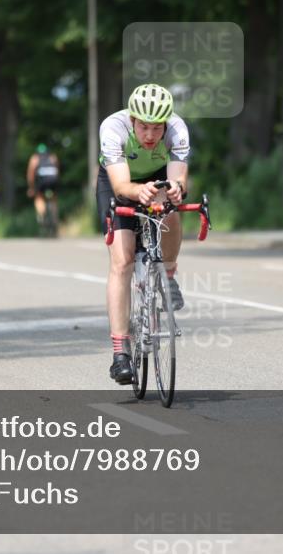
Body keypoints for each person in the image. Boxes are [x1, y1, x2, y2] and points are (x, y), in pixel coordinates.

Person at [97, 83, 190, 385]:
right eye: (144, 128)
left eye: (156, 129)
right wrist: (139, 192)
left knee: (172, 212)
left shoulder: (177, 129)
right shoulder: (113, 128)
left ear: (166, 124)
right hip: (119, 181)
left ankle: (170, 275)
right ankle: (120, 352)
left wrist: (175, 189)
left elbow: (178, 179)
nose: (150, 136)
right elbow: (123, 186)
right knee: (122, 262)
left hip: (157, 176)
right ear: (132, 120)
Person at [26, 143, 60, 235]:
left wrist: (31, 187)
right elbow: (57, 169)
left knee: (39, 197)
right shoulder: (52, 157)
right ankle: (54, 219)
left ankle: (42, 216)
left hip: (42, 182)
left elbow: (31, 174)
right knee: (53, 200)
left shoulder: (35, 158)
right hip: (53, 180)